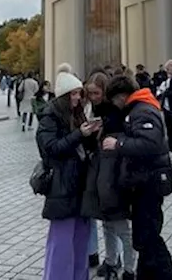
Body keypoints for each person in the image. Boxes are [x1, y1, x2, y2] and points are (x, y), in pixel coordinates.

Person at [102, 75, 172, 278]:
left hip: (149, 182)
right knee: (144, 236)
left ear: (121, 95)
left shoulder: (141, 110)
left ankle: (164, 275)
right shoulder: (140, 107)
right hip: (145, 180)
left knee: (148, 236)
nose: (116, 105)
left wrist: (119, 144)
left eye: (115, 100)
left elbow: (150, 143)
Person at [37, 64, 101, 279]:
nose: (77, 98)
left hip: (80, 183)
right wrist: (78, 136)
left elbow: (84, 147)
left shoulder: (77, 114)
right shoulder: (49, 116)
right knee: (62, 240)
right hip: (62, 185)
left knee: (80, 239)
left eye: (79, 94)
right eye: (73, 94)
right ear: (64, 95)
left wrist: (92, 135)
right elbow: (51, 149)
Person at [83, 72, 136, 280]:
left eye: (96, 93)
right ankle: (112, 260)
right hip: (101, 169)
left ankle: (130, 267)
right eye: (90, 93)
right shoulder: (96, 109)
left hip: (115, 171)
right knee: (106, 222)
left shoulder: (116, 111)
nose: (93, 97)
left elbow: (119, 141)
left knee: (120, 222)